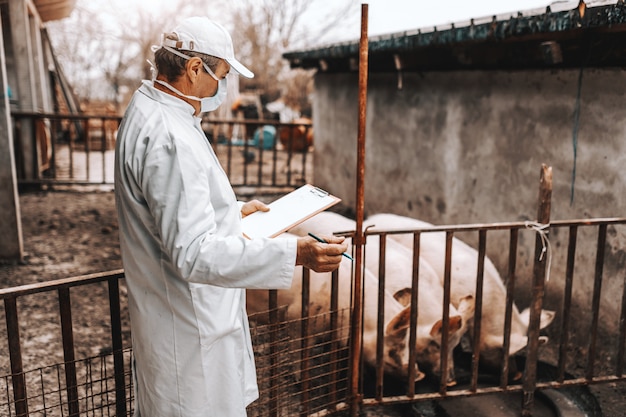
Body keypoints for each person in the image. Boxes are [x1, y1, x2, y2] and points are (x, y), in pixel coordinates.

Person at [114, 16, 347, 417]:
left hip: (175, 318)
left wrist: (232, 212)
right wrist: (297, 254)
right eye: (220, 74)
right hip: (189, 332)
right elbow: (194, 254)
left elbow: (169, 207)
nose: (221, 86)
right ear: (192, 69)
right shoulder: (171, 138)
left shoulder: (151, 111)